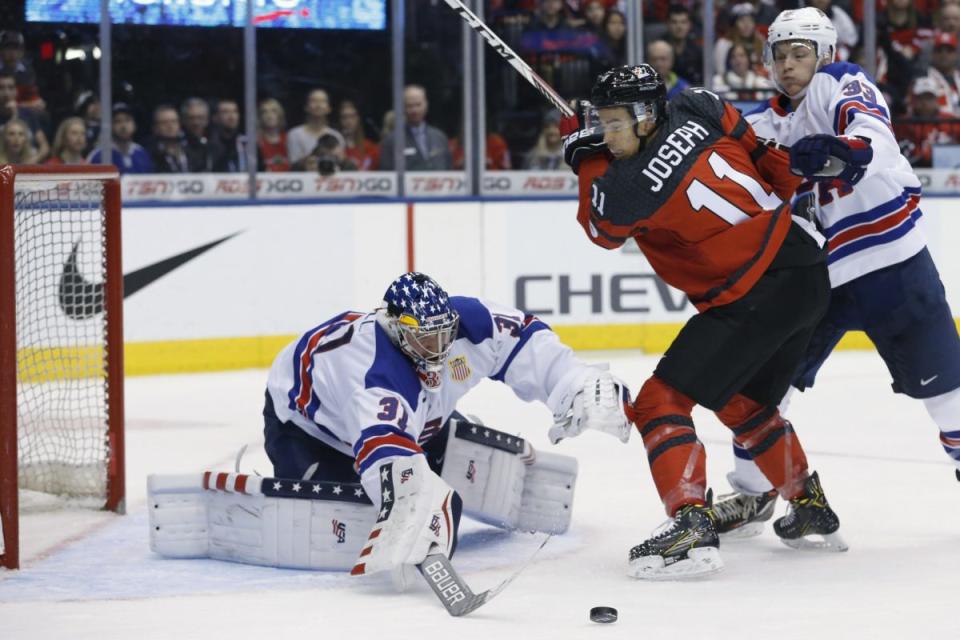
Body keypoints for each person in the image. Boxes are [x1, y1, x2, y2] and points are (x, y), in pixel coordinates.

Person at [559, 63, 851, 579]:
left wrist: (584, 159)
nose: (608, 133)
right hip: (805, 269)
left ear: (647, 115)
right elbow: (775, 170)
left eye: (615, 123)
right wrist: (603, 150)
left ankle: (691, 524)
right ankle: (808, 505)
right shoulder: (700, 104)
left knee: (658, 404)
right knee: (745, 403)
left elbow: (602, 229)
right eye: (601, 123)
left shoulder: (627, 185)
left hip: (751, 292)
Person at [714, 7, 960, 537]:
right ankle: (754, 493)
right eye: (778, 55)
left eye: (799, 53)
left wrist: (847, 152)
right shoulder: (761, 126)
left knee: (947, 390)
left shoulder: (837, 82)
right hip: (816, 278)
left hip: (888, 261)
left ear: (823, 54)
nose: (787, 64)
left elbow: (867, 127)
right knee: (760, 386)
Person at [263, 271, 630, 581]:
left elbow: (525, 339)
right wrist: (409, 506)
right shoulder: (375, 375)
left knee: (433, 490)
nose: (440, 348)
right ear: (396, 328)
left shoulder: (470, 322)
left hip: (415, 419)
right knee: (353, 517)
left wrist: (573, 381)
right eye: (427, 339)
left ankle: (438, 443)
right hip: (308, 430)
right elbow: (384, 449)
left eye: (445, 334)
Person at [379, 85, 453, 171]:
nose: (415, 110)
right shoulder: (392, 141)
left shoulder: (440, 137)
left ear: (426, 105)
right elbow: (387, 173)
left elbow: (449, 169)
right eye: (410, 106)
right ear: (402, 108)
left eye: (418, 105)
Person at [87, 103, 154, 174]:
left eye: (128, 120)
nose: (123, 126)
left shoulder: (142, 154)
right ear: (111, 126)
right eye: (118, 121)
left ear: (134, 125)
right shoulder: (98, 155)